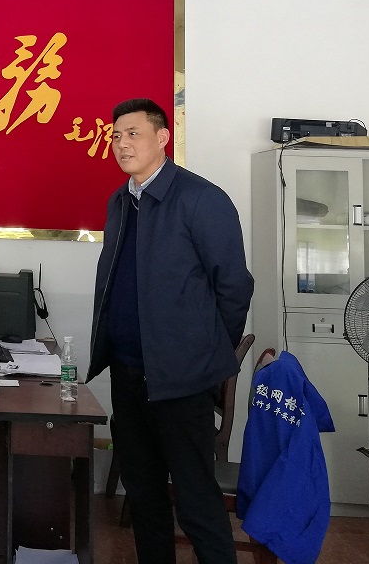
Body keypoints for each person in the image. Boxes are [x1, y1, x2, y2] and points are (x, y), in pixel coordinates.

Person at [85, 98, 254, 564]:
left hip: (181, 379)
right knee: (142, 493)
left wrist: (207, 353)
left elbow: (234, 287)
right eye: (116, 136)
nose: (122, 144)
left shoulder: (202, 199)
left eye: (133, 133)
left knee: (195, 497)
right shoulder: (121, 201)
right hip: (128, 373)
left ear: (162, 138)